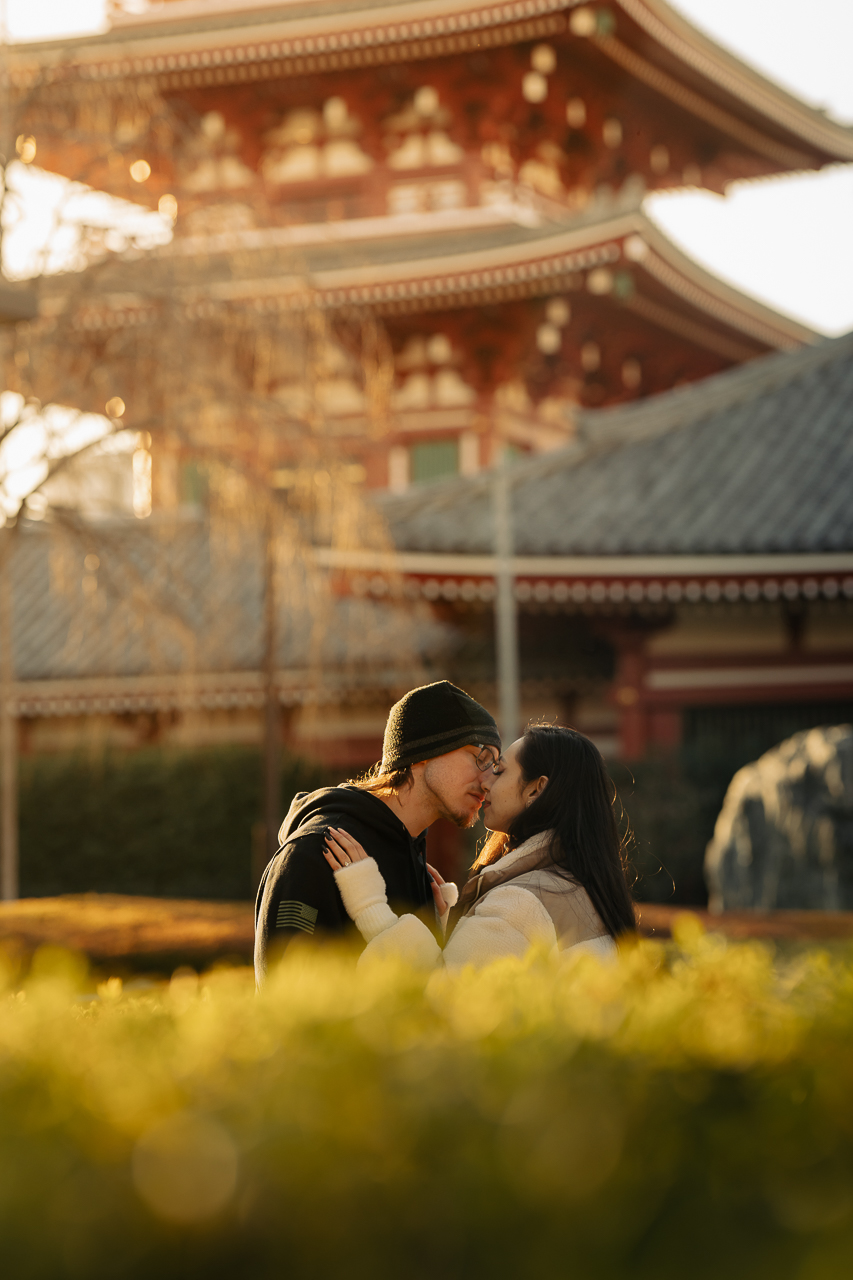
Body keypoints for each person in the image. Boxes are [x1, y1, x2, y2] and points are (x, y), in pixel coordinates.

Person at [323, 724, 635, 968]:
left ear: (537, 790)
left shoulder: (520, 904)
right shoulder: (576, 886)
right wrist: (455, 928)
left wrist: (371, 907)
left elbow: (438, 1004)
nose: (485, 782)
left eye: (499, 771)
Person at [254, 680, 500, 983]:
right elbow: (287, 1001)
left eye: (496, 766)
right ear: (425, 749)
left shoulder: (420, 870)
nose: (489, 781)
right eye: (481, 758)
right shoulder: (317, 852)